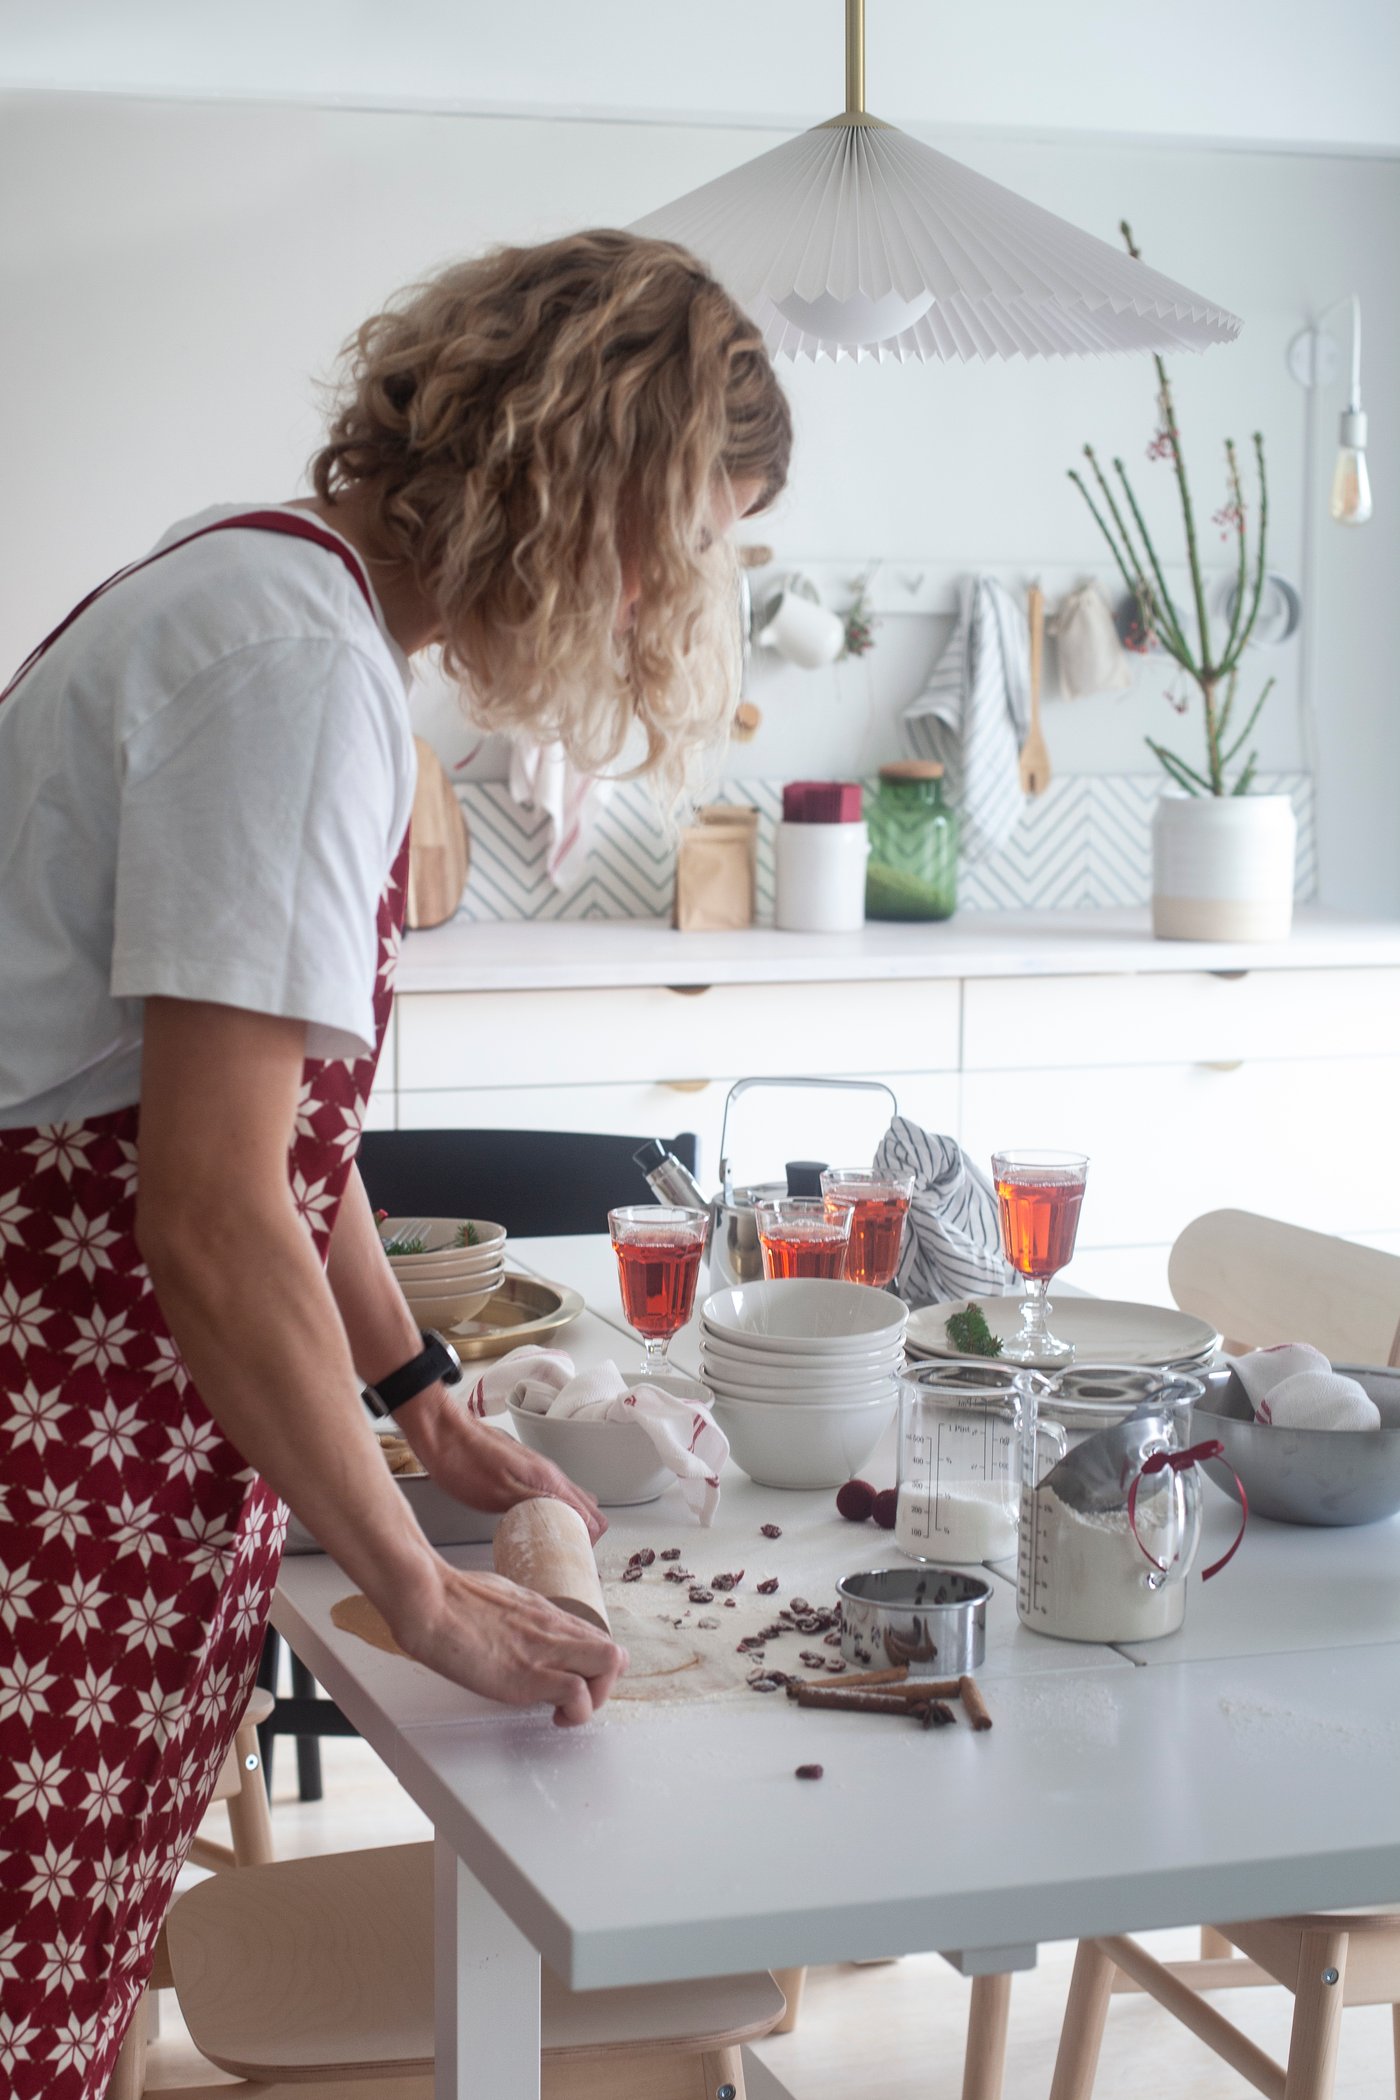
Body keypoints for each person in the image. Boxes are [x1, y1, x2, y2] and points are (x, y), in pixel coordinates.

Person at [0, 227, 791, 2099]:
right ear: (596, 492)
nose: (677, 601)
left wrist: (419, 1392)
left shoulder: (269, 595)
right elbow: (202, 1211)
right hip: (53, 1452)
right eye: (701, 542)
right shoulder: (292, 673)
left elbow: (282, 1137)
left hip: (108, 1442)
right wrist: (418, 1599)